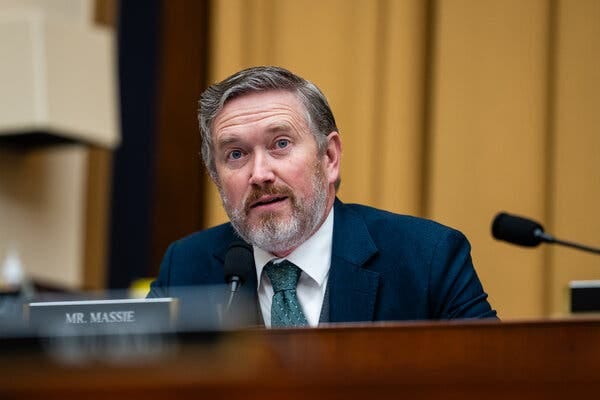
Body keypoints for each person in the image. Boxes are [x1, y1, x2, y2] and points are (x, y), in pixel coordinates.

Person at [148, 66, 497, 327]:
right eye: (236, 154)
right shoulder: (186, 268)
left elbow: (498, 378)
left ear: (329, 158)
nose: (259, 174)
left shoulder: (427, 257)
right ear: (215, 176)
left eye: (280, 144)